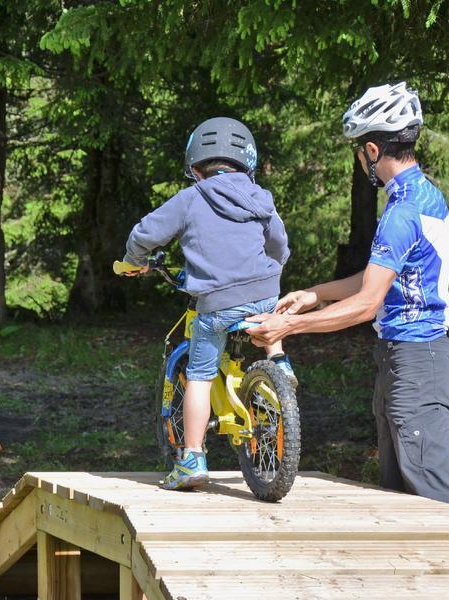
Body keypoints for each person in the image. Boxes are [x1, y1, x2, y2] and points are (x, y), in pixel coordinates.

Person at [248, 82, 449, 504]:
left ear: (371, 150)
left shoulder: (402, 210)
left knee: (434, 511)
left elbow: (368, 303)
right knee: (399, 502)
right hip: (410, 363)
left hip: (418, 364)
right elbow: (379, 277)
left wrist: (288, 326)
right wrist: (314, 294)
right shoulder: (418, 195)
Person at [119, 116, 295, 490]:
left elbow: (145, 233)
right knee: (269, 311)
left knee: (199, 375)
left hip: (217, 302)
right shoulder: (259, 196)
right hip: (264, 289)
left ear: (195, 167)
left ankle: (192, 458)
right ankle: (280, 363)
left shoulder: (191, 198)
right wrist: (272, 269)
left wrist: (134, 261)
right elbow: (278, 243)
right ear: (246, 162)